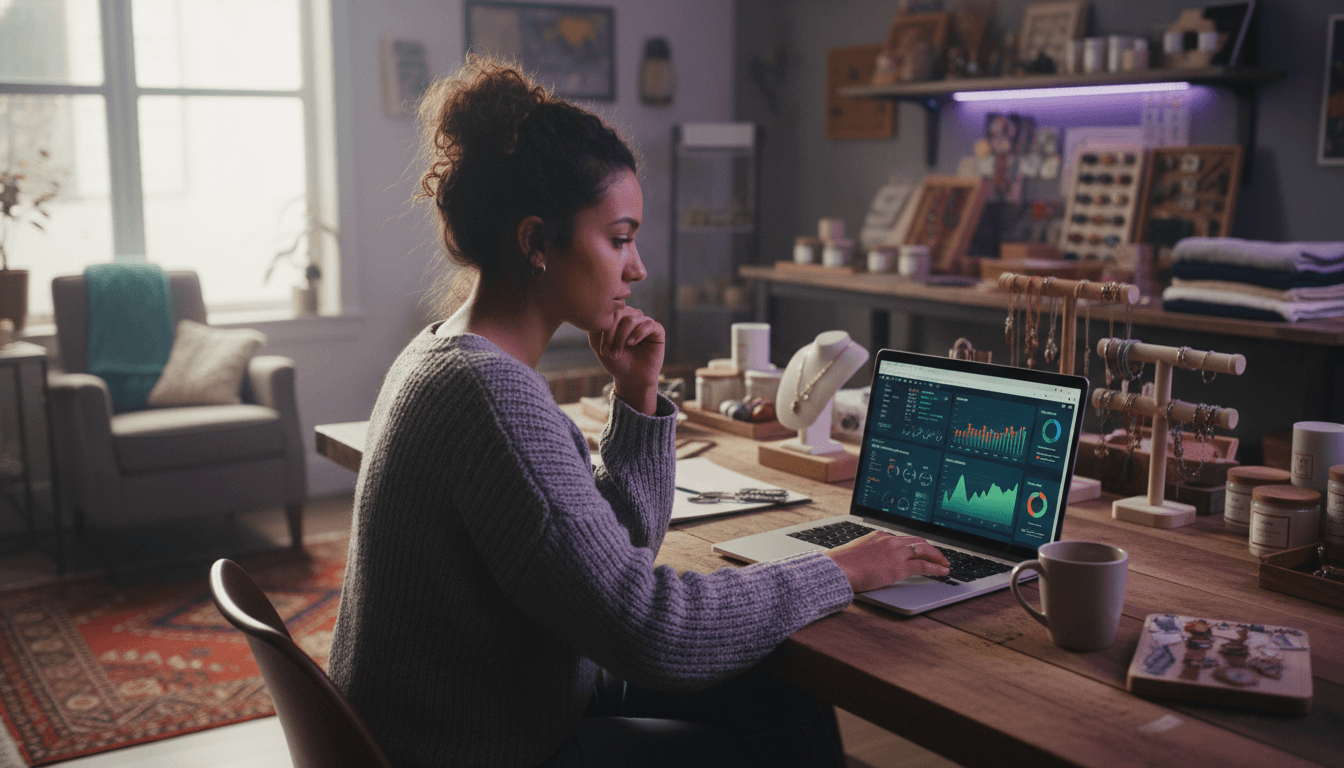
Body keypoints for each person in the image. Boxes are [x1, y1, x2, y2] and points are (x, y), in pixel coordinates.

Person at [328, 56, 951, 768]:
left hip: (473, 718)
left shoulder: (446, 354)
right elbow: (652, 631)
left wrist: (637, 399)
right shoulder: (490, 397)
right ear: (536, 243)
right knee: (781, 720)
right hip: (486, 748)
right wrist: (845, 570)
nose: (638, 267)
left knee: (781, 700)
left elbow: (609, 558)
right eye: (619, 238)